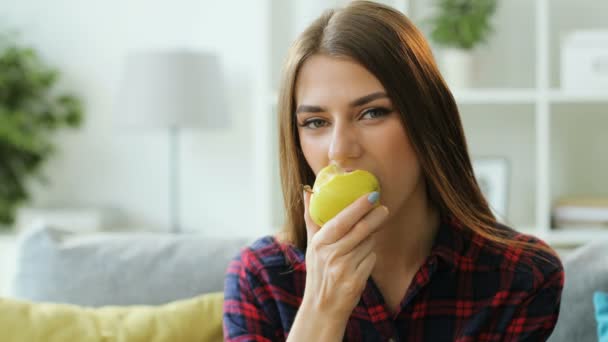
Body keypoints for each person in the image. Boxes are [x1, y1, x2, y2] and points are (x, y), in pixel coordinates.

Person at [223, 1, 564, 341]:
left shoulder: (522, 278)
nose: (339, 150)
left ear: (427, 120)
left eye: (372, 113)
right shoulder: (259, 278)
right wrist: (321, 308)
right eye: (315, 122)